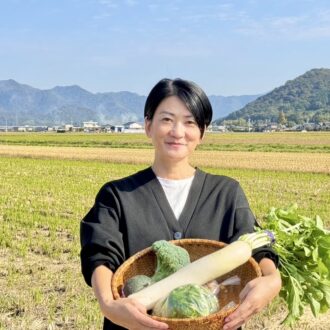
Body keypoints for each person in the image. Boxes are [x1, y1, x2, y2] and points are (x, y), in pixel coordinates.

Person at [80, 78, 282, 330]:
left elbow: (256, 247)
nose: (177, 131)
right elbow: (100, 256)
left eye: (189, 122)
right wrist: (108, 305)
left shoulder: (226, 192)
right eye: (166, 119)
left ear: (202, 133)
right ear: (148, 125)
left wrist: (273, 280)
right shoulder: (117, 195)